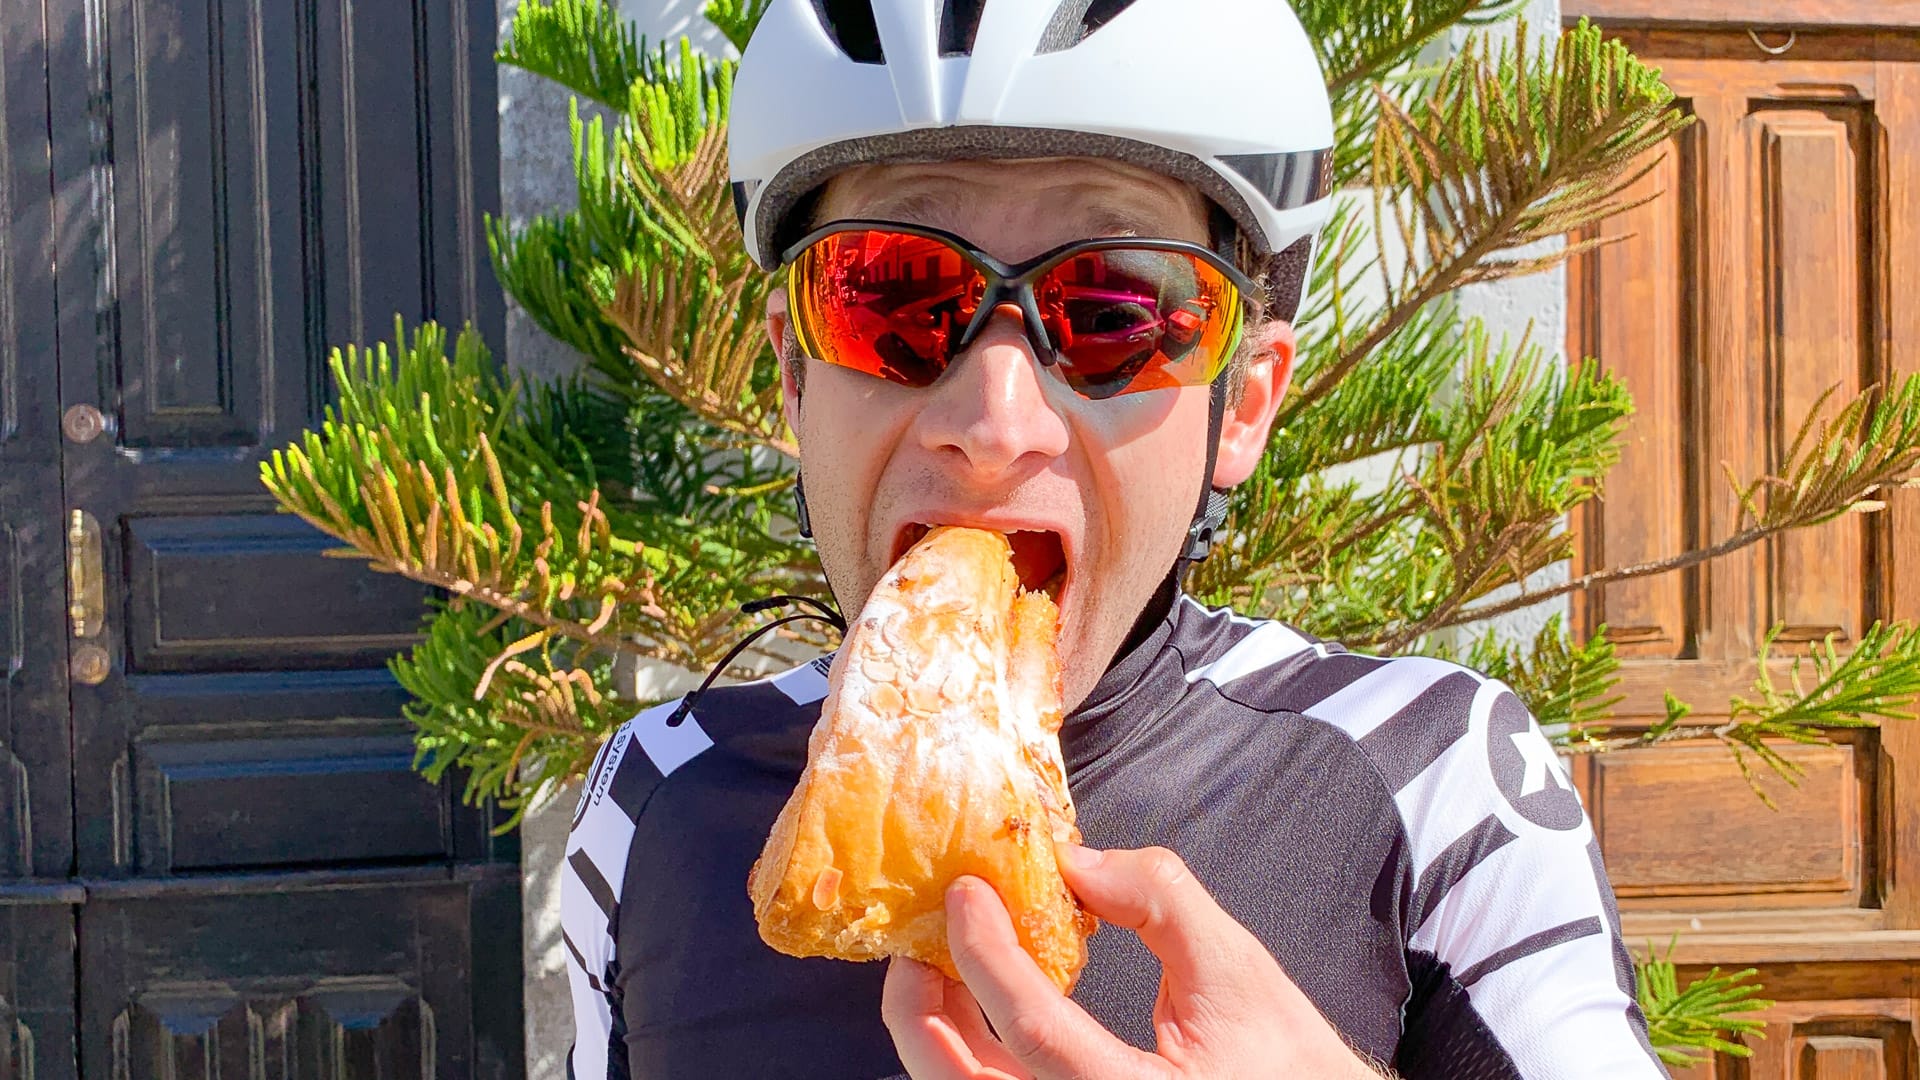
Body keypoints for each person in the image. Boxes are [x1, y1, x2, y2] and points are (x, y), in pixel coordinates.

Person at [562, 1, 1666, 1077]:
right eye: (893, 293)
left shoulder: (1433, 779)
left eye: (1111, 309)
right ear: (794, 378)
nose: (993, 427)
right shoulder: (656, 795)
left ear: (1243, 409)